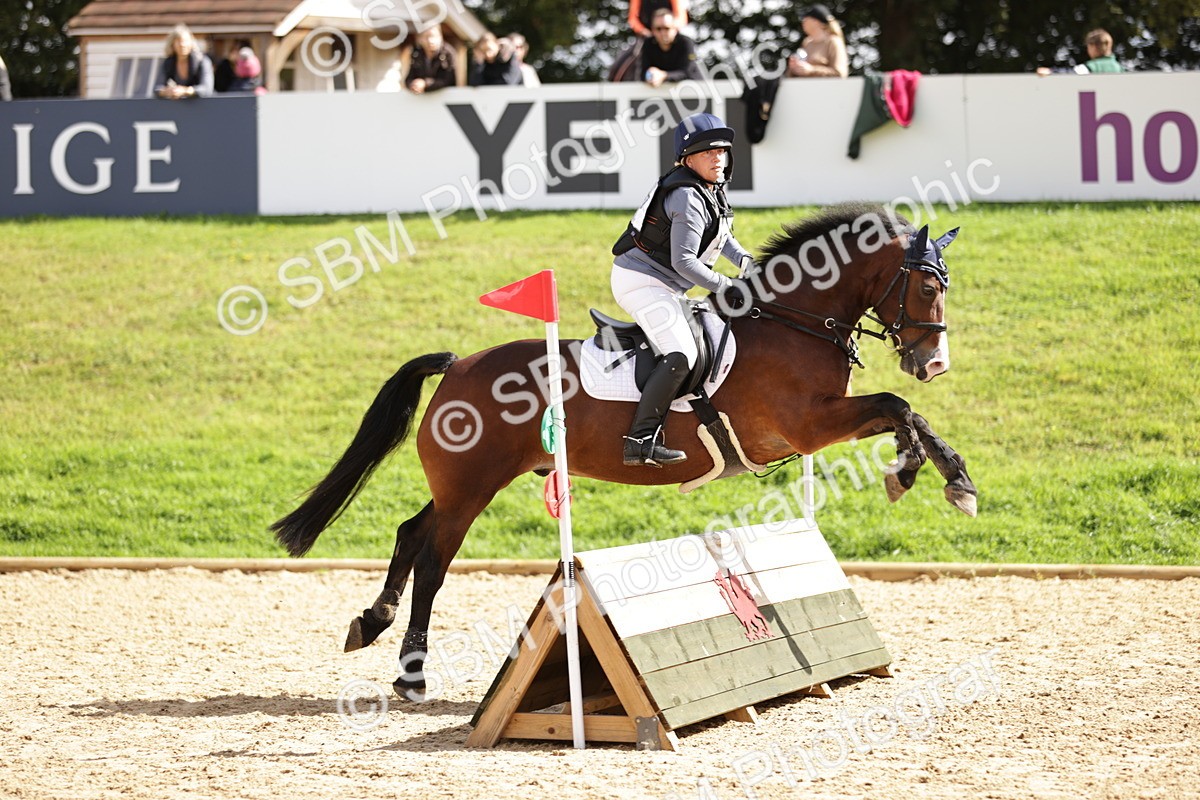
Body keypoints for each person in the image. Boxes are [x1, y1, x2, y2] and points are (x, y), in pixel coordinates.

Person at [610, 113, 755, 467]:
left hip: (666, 283)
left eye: (721, 150)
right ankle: (639, 441)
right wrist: (727, 284)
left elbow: (722, 237)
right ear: (688, 159)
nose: (718, 157)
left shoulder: (709, 188)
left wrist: (747, 262)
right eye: (708, 152)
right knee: (681, 354)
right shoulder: (687, 196)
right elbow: (685, 263)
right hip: (642, 282)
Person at [641, 9, 702, 87]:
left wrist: (664, 75)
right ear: (653, 30)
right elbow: (643, 73)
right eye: (658, 29)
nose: (663, 33)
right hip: (660, 95)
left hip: (693, 93)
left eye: (667, 28)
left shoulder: (686, 43)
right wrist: (649, 75)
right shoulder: (648, 44)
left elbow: (687, 72)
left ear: (675, 28)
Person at [786, 5, 848, 78]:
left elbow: (840, 73)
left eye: (806, 18)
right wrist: (794, 68)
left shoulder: (833, 41)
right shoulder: (807, 42)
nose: (803, 21)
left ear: (816, 21)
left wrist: (812, 70)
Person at [154, 23, 214, 99]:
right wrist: (167, 91)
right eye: (178, 41)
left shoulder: (202, 61)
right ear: (172, 45)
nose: (182, 45)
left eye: (185, 41)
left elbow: (207, 89)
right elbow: (157, 88)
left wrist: (186, 91)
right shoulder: (168, 63)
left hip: (204, 105)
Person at [1037, 28, 1124, 76]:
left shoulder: (1093, 66)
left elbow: (1072, 73)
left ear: (1093, 46)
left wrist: (1051, 72)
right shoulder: (1120, 68)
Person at [406, 25, 458, 93]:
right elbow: (408, 78)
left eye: (433, 36)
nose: (430, 41)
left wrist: (425, 84)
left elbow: (448, 81)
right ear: (420, 39)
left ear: (440, 37)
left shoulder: (447, 54)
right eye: (426, 37)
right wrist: (414, 84)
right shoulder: (416, 54)